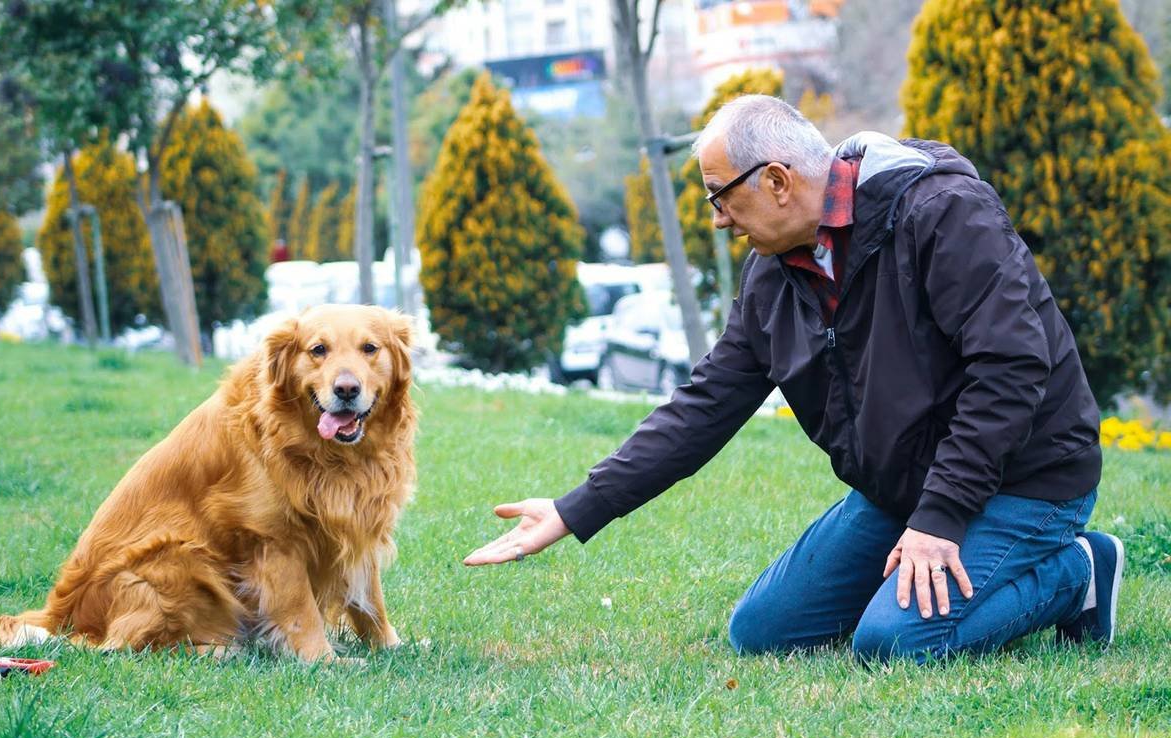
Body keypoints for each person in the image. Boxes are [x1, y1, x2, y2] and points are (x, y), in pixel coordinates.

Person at [463, 96, 1123, 664]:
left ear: (778, 180)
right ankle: (932, 570)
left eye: (721, 196)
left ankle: (1078, 572)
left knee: (895, 644)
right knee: (761, 633)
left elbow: (1011, 367)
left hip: (1025, 480)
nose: (718, 219)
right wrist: (577, 508)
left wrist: (940, 520)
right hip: (900, 492)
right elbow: (706, 406)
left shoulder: (943, 212)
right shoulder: (773, 276)